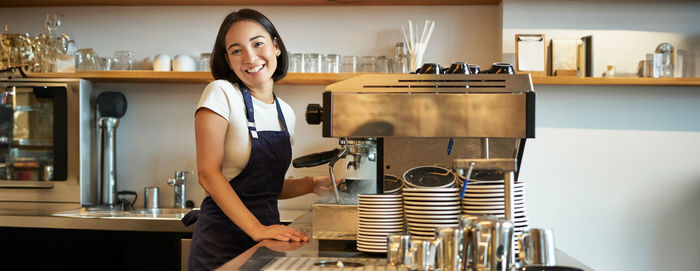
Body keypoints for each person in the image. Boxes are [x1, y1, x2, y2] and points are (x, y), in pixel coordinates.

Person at [185, 9, 337, 270]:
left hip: (266, 239)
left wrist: (313, 184)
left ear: (276, 46)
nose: (250, 57)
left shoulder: (285, 113)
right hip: (221, 242)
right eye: (236, 50)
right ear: (228, 60)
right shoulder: (221, 92)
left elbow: (268, 187)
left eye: (258, 43)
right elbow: (208, 174)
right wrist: (257, 229)